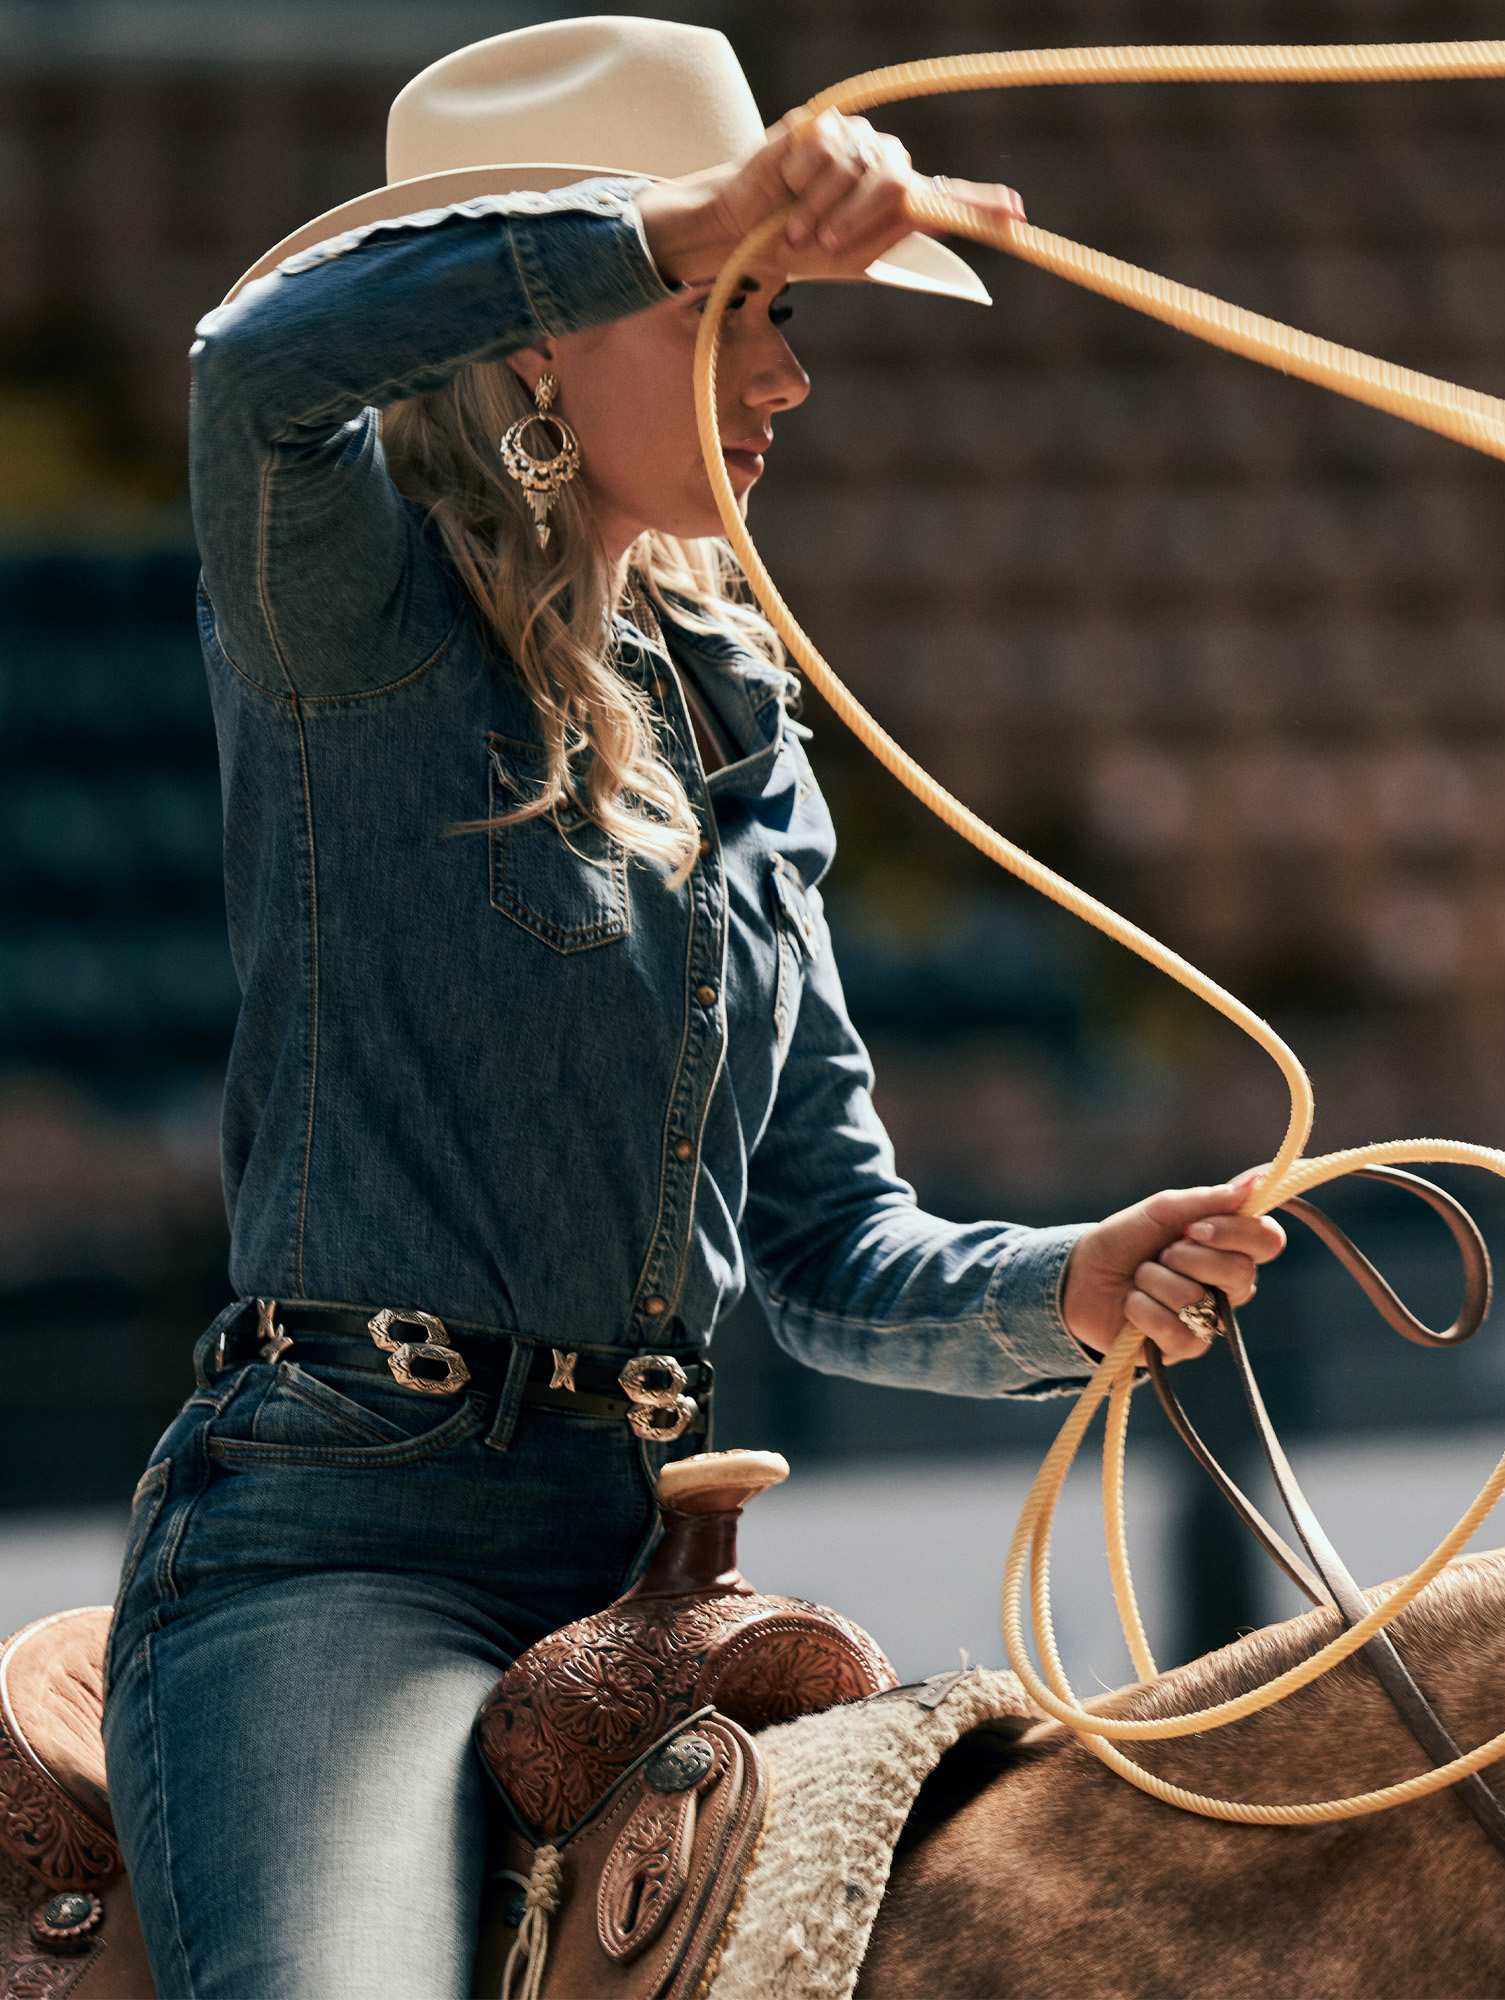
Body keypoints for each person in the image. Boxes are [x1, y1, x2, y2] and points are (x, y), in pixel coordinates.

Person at [98, 17, 1286, 1997]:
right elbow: (258, 370)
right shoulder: (354, 619)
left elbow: (829, 1250)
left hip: (653, 1556)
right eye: (743, 315)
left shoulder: (739, 715)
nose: (794, 378)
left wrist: (1074, 1284)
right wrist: (682, 220)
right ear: (545, 341)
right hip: (337, 1551)